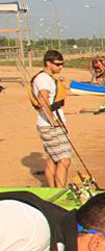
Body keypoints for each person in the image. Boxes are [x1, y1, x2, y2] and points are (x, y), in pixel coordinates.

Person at [29, 50, 72, 188]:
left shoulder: (46, 78)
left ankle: (52, 190)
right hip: (50, 126)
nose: (61, 67)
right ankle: (59, 191)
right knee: (64, 160)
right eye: (58, 64)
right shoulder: (44, 79)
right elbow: (43, 99)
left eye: (62, 64)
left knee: (52, 159)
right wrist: (53, 121)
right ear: (48, 63)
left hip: (46, 125)